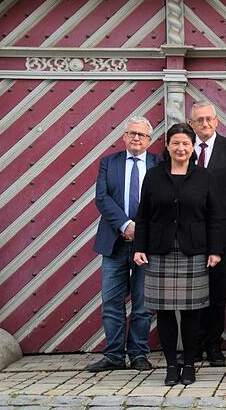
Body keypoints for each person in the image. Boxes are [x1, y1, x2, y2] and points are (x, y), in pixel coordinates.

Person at [133, 123, 226, 386]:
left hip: (193, 251)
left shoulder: (204, 177)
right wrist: (139, 247)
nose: (181, 148)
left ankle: (189, 365)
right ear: (167, 146)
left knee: (191, 312)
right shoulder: (153, 176)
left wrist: (215, 250)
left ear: (192, 146)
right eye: (176, 143)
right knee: (164, 312)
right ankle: (171, 366)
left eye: (186, 143)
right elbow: (143, 215)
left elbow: (215, 216)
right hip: (160, 251)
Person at [86, 117, 159, 373]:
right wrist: (126, 225)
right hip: (114, 243)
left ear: (149, 139)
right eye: (131, 134)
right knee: (112, 303)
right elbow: (102, 198)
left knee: (142, 305)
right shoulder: (109, 163)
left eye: (141, 135)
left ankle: (139, 354)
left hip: (146, 245)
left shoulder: (158, 164)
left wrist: (141, 229)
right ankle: (114, 355)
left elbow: (162, 201)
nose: (136, 138)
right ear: (124, 137)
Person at [188, 100, 226, 367]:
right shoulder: (183, 147)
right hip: (189, 233)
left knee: (216, 292)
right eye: (199, 120)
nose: (204, 124)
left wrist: (225, 222)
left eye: (208, 119)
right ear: (192, 124)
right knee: (189, 292)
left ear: (217, 121)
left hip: (221, 233)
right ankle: (192, 346)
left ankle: (213, 346)